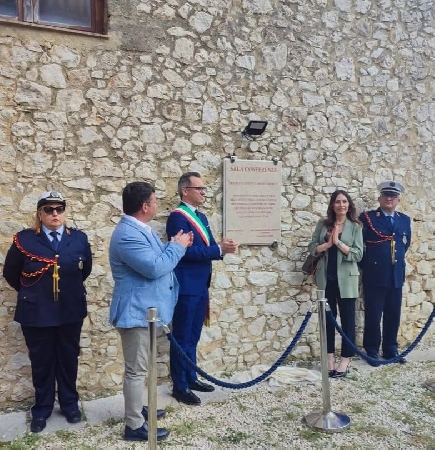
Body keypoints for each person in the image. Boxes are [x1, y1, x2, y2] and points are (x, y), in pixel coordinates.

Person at [109, 181, 193, 442]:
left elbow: (156, 259)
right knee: (136, 370)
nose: (157, 205)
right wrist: (177, 246)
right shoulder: (128, 234)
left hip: (147, 312)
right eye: (155, 201)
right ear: (145, 206)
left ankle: (138, 409)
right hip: (135, 313)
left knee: (142, 367)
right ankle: (134, 425)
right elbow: (155, 268)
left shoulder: (139, 228)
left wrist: (172, 245)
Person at [3, 191, 92, 433]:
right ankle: (42, 409)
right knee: (41, 362)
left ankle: (69, 405)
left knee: (68, 359)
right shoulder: (25, 239)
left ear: (64, 212)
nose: (55, 214)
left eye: (59, 209)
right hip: (37, 311)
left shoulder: (79, 239)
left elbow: (85, 270)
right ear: (40, 214)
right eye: (49, 209)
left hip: (70, 309)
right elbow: (11, 273)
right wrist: (34, 293)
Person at [166, 172, 239, 405]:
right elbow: (185, 252)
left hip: (200, 284)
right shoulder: (177, 218)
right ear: (185, 191)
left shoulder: (201, 217)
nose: (203, 192)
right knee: (182, 336)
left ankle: (191, 376)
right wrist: (218, 250)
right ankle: (180, 386)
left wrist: (221, 247)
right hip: (186, 285)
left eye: (204, 188)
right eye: (199, 188)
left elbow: (207, 246)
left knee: (193, 335)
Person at [308, 190, 363, 378]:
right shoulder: (323, 224)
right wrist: (327, 245)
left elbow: (358, 254)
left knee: (347, 322)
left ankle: (346, 360)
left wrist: (338, 242)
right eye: (338, 201)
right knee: (327, 322)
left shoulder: (355, 227)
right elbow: (312, 247)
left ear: (349, 205)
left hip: (347, 281)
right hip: (326, 280)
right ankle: (329, 358)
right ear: (332, 205)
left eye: (344, 201)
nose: (341, 205)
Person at [359, 181, 411, 366]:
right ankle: (372, 350)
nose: (389, 198)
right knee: (373, 315)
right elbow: (360, 245)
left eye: (393, 196)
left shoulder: (404, 220)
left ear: (398, 200)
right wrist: (368, 265)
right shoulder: (368, 218)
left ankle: (390, 350)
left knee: (393, 314)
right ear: (379, 198)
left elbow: (405, 244)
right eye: (386, 195)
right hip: (375, 274)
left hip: (396, 274)